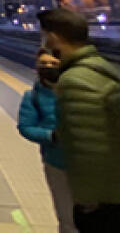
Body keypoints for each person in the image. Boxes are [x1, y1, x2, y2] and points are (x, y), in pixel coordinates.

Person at [39, 7, 120, 232]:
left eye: (45, 36)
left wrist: (88, 200)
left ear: (54, 37)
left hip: (103, 200)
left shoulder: (74, 80)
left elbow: (86, 148)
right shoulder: (101, 67)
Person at [17, 48, 74, 233]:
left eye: (53, 64)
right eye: (43, 64)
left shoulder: (77, 90)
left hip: (88, 161)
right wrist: (50, 136)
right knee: (67, 214)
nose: (48, 67)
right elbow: (25, 127)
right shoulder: (32, 96)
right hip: (56, 162)